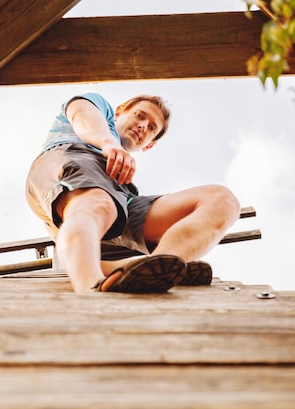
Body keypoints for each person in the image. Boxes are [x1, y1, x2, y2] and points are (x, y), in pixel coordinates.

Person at [25, 92, 241, 293]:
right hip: (71, 161)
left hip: (121, 201)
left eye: (151, 128)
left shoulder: (120, 183)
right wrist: (108, 143)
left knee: (222, 200)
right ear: (119, 112)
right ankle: (90, 290)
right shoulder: (99, 109)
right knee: (99, 204)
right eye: (139, 116)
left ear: (148, 146)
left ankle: (156, 262)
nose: (142, 126)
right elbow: (82, 114)